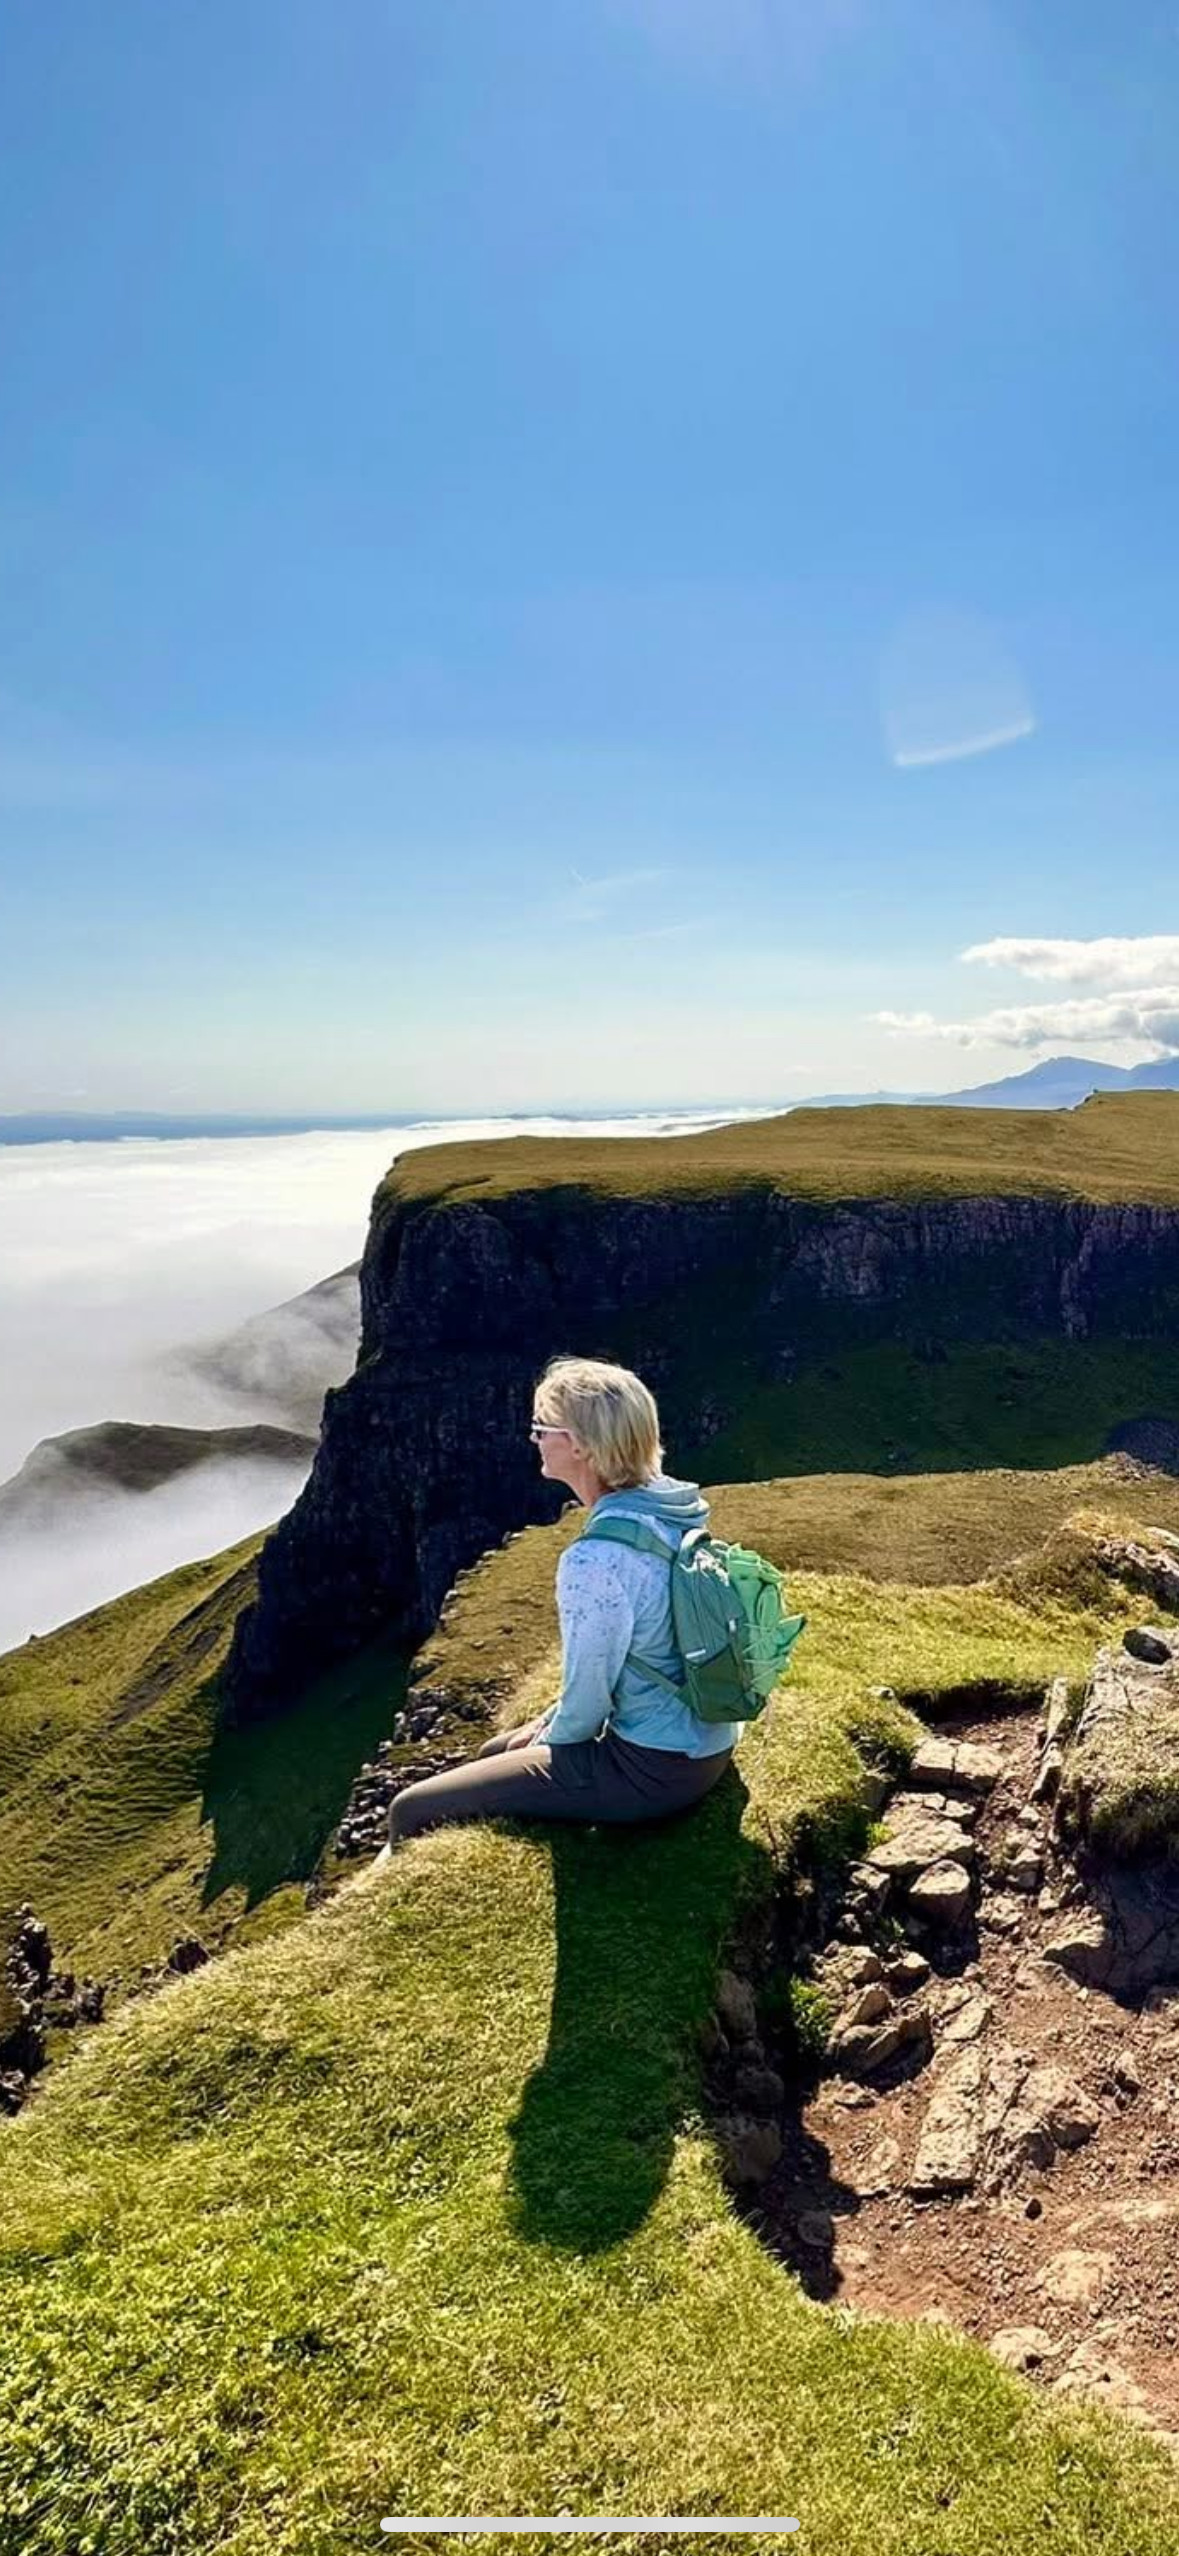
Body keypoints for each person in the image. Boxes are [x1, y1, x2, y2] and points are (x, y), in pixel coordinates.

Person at [384, 1354, 742, 1845]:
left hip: (653, 1770)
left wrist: (550, 1738)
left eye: (541, 1427)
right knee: (495, 1751)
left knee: (408, 1810)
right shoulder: (673, 1508)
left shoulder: (595, 1560)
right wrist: (542, 1729)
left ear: (577, 1446)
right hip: (708, 1738)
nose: (535, 1440)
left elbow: (589, 1699)